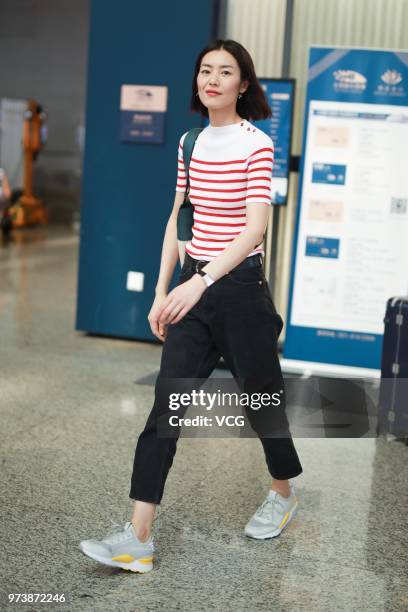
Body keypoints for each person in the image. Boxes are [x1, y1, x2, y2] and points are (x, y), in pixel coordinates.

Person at [80, 39, 303, 574]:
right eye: (206, 70)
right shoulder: (189, 140)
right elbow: (179, 218)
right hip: (192, 287)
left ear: (243, 84)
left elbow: (255, 227)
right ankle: (137, 537)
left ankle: (282, 491)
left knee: (261, 403)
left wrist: (200, 281)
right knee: (166, 409)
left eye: (226, 72)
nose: (213, 79)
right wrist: (163, 290)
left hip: (240, 290)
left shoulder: (257, 142)